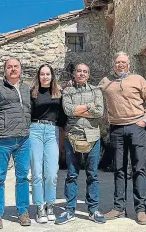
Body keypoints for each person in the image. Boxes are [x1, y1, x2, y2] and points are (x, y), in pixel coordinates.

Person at [101, 52, 146, 225]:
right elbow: (92, 93)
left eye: (123, 62)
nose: (120, 65)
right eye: (117, 62)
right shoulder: (106, 81)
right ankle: (118, 208)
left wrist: (145, 120)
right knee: (119, 169)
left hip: (136, 128)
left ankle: (141, 210)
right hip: (116, 129)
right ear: (113, 64)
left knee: (139, 168)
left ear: (129, 64)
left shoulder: (138, 79)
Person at [55, 63, 106, 225]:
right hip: (73, 136)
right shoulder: (68, 91)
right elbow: (68, 111)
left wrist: (80, 109)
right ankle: (69, 210)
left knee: (93, 175)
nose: (82, 74)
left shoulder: (96, 90)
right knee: (71, 175)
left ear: (88, 75)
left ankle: (93, 210)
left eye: (85, 71)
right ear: (74, 74)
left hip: (92, 137)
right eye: (79, 71)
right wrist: (89, 107)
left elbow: (99, 112)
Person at [0, 58, 31, 229]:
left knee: (23, 177)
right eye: (9, 67)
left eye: (16, 66)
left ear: (21, 69)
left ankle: (23, 211)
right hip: (2, 140)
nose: (13, 69)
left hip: (24, 140)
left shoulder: (26, 89)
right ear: (4, 70)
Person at [29, 64, 67, 223]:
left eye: (47, 74)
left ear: (52, 76)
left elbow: (63, 116)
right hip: (35, 130)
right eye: (42, 74)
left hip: (52, 131)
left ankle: (50, 205)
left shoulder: (59, 93)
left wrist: (63, 134)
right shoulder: (32, 93)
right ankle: (40, 207)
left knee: (51, 173)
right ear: (38, 76)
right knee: (37, 172)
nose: (45, 76)